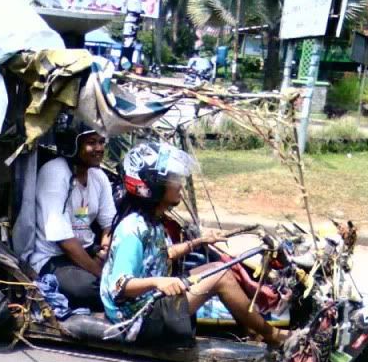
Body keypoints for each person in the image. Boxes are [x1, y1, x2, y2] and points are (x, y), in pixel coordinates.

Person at [100, 142, 290, 346]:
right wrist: (158, 282)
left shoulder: (152, 221)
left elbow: (162, 254)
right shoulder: (132, 229)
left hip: (149, 301)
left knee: (219, 267)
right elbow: (120, 286)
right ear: (152, 186)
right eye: (172, 178)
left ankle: (253, 329)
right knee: (221, 276)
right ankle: (272, 335)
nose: (179, 184)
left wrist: (199, 242)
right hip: (137, 318)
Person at [29, 119, 116, 311]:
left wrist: (105, 249)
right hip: (53, 258)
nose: (99, 148)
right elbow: (64, 241)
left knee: (129, 277)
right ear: (73, 145)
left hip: (87, 252)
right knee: (97, 290)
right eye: (91, 142)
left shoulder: (98, 176)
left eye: (101, 142)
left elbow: (109, 223)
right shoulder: (55, 172)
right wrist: (98, 272)